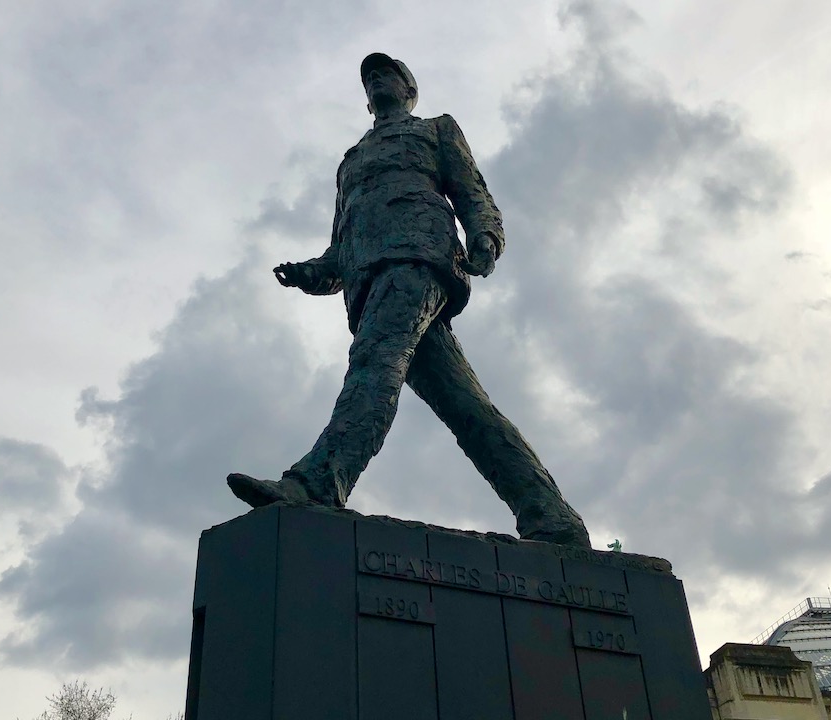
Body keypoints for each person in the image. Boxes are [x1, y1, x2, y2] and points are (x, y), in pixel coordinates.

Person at [228, 53, 590, 546]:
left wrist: (485, 236)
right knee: (467, 407)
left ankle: (316, 483)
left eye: (385, 74)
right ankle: (553, 518)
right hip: (368, 279)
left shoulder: (436, 130)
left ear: (408, 88)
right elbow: (342, 244)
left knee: (375, 365)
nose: (376, 81)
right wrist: (310, 272)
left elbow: (474, 194)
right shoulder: (350, 161)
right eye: (369, 78)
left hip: (420, 257)